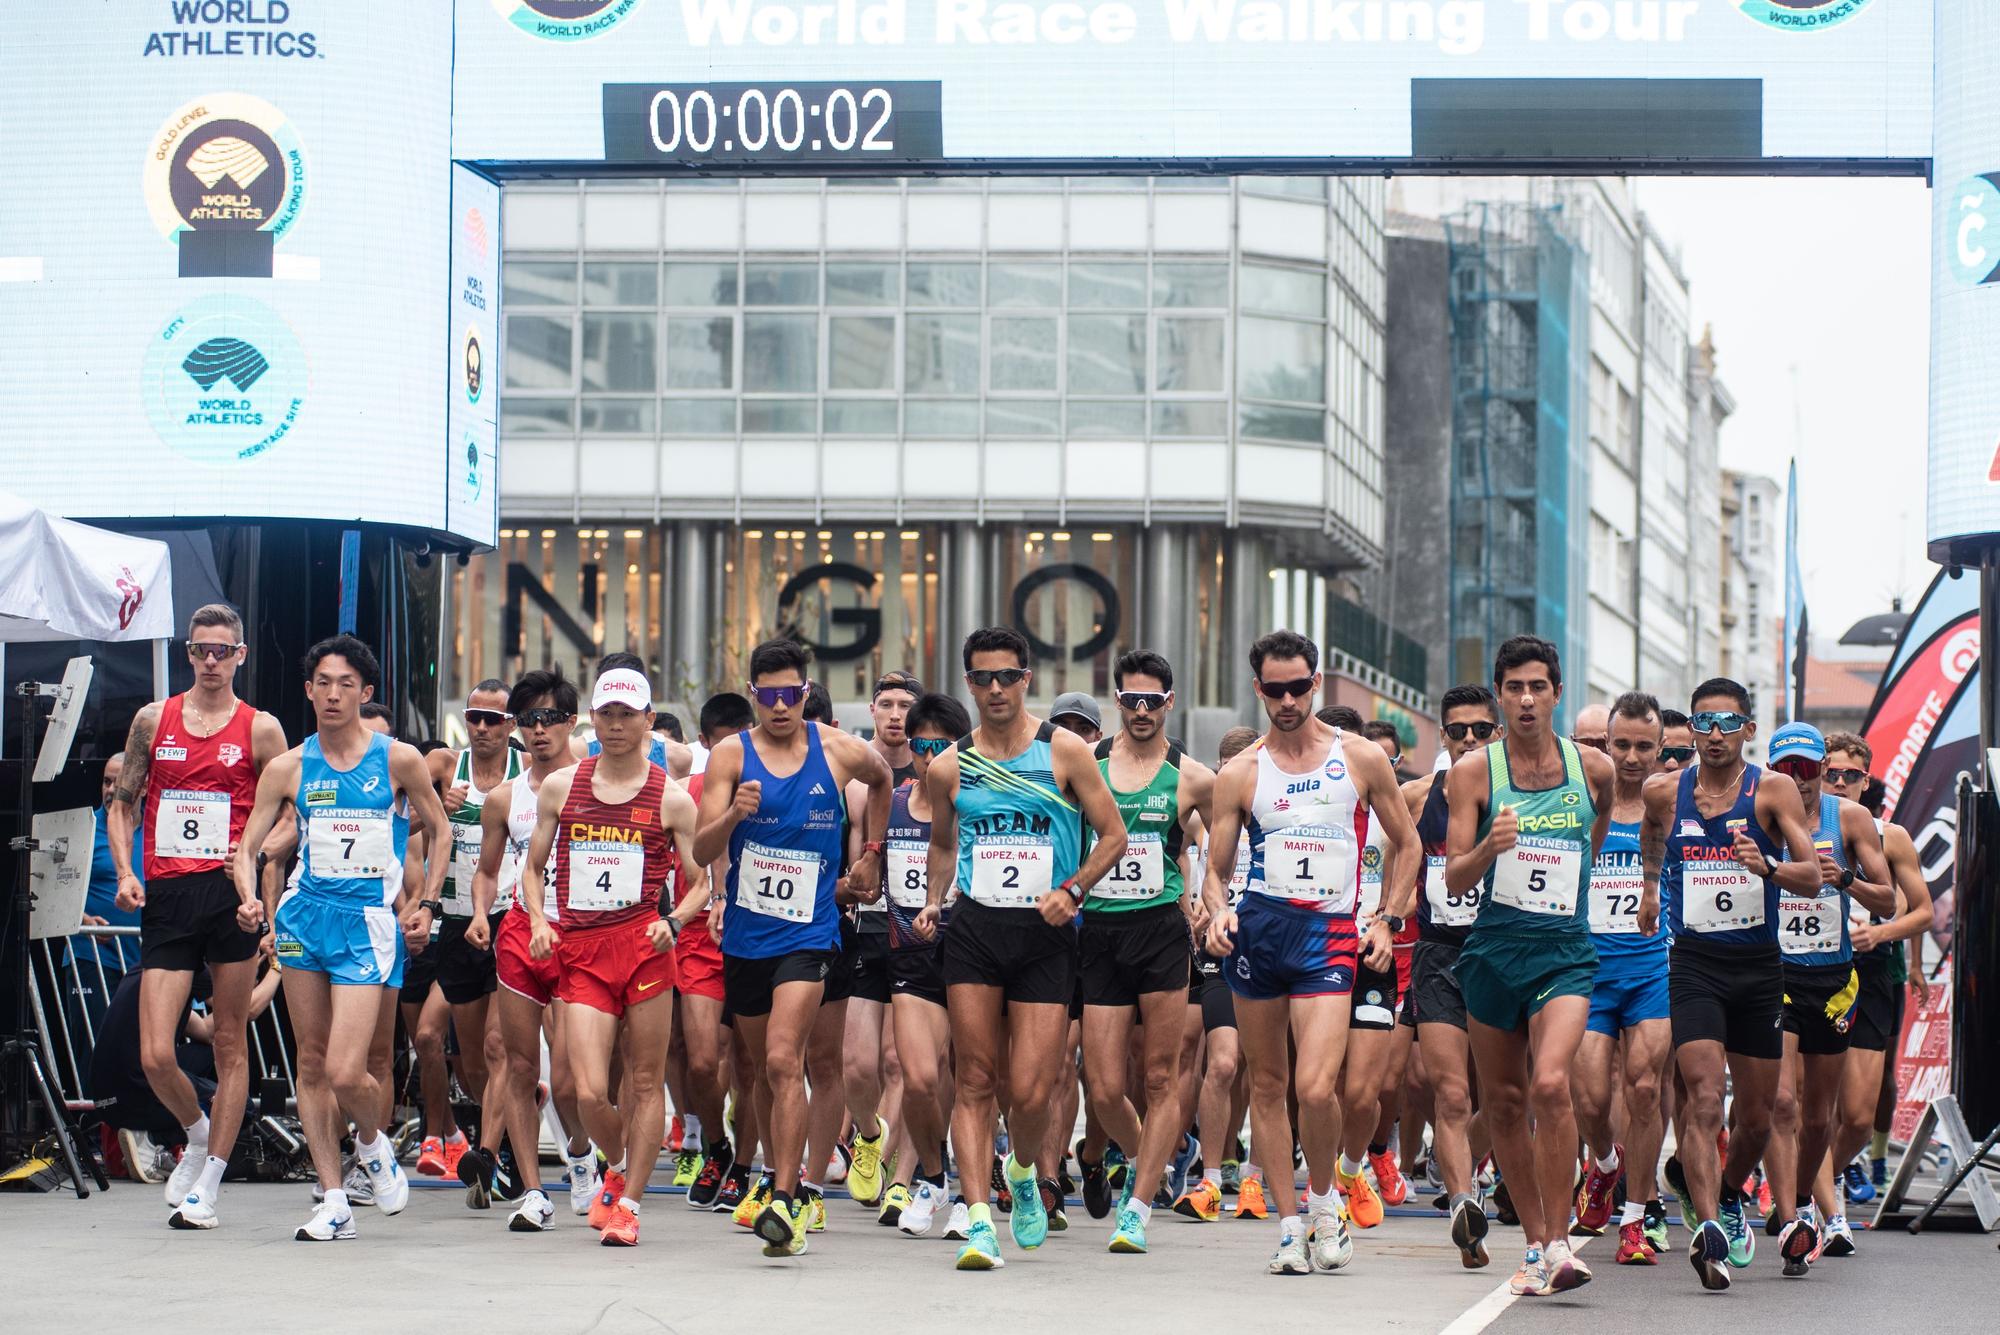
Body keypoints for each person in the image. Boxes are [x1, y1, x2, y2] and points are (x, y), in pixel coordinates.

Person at [1202, 629, 1418, 1279]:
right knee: (1267, 1085)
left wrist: (1388, 917)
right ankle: (1289, 1225)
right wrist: (1216, 911)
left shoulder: (1358, 757)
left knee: (1315, 1085)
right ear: (1258, 688)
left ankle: (1327, 1203)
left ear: (1317, 682)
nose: (1289, 698)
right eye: (1276, 689)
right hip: (1261, 931)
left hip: (1330, 933)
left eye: (1300, 686)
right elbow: (1215, 870)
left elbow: (1406, 845)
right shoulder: (1241, 771)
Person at [915, 626, 1128, 1271]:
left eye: (1008, 676)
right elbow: (945, 844)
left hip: (1045, 934)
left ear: (1026, 679)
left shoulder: (1063, 751)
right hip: (977, 930)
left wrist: (1075, 889)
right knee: (974, 1078)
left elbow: (1113, 836)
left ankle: (1024, 1170)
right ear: (968, 683)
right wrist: (933, 897)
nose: (996, 689)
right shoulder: (950, 764)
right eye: (982, 678)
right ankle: (980, 1220)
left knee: (1034, 1092)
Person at [236, 634, 450, 1242]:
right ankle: (333, 1197)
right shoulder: (289, 767)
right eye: (323, 683)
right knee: (311, 1063)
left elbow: (440, 830)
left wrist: (428, 904)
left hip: (366, 923)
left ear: (366, 692)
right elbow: (249, 847)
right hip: (305, 918)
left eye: (346, 684)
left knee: (347, 1069)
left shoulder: (399, 759)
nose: (333, 694)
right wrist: (251, 898)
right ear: (308, 690)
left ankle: (372, 1142)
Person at [694, 639, 894, 1258]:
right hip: (749, 936)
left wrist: (871, 856)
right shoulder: (732, 754)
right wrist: (732, 817)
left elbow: (884, 779)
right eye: (768, 695)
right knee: (757, 1070)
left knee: (789, 1059)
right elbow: (701, 851)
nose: (781, 705)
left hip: (812, 933)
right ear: (753, 695)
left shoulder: (836, 750)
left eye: (792, 694)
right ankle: (775, 1181)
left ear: (805, 693)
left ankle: (790, 1197)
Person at [106, 602, 289, 1230]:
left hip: (227, 897)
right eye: (200, 649)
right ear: (188, 653)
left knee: (232, 1042)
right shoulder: (153, 720)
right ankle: (195, 1127)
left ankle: (208, 1183)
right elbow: (123, 801)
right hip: (167, 897)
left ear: (241, 655)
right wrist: (126, 872)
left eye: (223, 650)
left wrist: (260, 863)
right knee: (157, 1052)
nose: (211, 661)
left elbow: (289, 813)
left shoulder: (261, 729)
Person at [1444, 636, 1614, 1297]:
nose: (1525, 698)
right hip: (1491, 953)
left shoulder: (1591, 769)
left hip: (1565, 951)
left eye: (1537, 686)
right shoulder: (1474, 773)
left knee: (1549, 1084)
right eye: (1513, 687)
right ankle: (1538, 1242)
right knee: (1508, 1102)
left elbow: (1590, 842)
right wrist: (1491, 844)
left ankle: (1563, 1239)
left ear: (1557, 692)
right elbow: (1456, 878)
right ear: (1499, 694)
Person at [1640, 677, 1823, 1291]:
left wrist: (1766, 865)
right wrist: (1647, 888)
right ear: (1690, 730)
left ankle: (1724, 1192)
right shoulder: (1665, 791)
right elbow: (1651, 837)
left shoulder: (1770, 791)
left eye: (1727, 723)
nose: (1714, 735)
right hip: (1694, 963)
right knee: (1700, 1097)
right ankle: (1710, 1227)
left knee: (1757, 1116)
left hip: (1758, 968)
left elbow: (1811, 876)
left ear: (1749, 729)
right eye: (1703, 723)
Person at [519, 666, 703, 1247]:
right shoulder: (561, 787)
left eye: (629, 714)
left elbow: (701, 883)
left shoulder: (671, 799)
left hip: (645, 945)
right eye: (608, 713)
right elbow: (532, 868)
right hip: (582, 948)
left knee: (646, 1083)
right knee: (584, 1090)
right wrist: (540, 920)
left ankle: (628, 1203)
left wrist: (674, 923)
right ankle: (620, 1160)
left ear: (650, 719)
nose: (618, 724)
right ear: (593, 719)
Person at [1079, 649, 1215, 1254]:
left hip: (1160, 926)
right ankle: (1152, 1157)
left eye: (1151, 701)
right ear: (1117, 702)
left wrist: (1213, 891)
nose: (1140, 711)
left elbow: (1227, 836)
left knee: (1160, 1074)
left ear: (1169, 702)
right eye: (1130, 700)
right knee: (1104, 1085)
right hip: (1099, 931)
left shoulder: (1191, 776)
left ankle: (1136, 1207)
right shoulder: (1087, 764)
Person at [1759, 723, 1893, 1275]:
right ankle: (1792, 1219)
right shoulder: (1755, 815)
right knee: (1782, 1104)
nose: (1802, 780)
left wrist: (1847, 883)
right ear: (1773, 772)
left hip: (1835, 981)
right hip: (1774, 972)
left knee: (1822, 1118)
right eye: (1787, 769)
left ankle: (1811, 1203)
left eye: (1808, 768)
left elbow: (1888, 900)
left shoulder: (1852, 820)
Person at [467, 668, 597, 1230]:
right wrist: (478, 912)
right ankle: (533, 1192)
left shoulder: (596, 782)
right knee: (517, 1065)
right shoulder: (503, 797)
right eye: (528, 720)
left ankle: (582, 1154)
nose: (539, 730)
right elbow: (487, 871)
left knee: (569, 1078)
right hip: (522, 930)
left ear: (571, 721)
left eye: (549, 718)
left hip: (583, 935)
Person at [1571, 693, 1673, 1264]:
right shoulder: (1582, 807)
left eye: (1643, 747)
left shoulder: (1672, 810)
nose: (1632, 758)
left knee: (1643, 1086)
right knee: (1589, 1098)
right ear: (1605, 746)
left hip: (1650, 967)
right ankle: (1604, 1165)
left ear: (1660, 750)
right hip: (1588, 971)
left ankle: (1635, 1220)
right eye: (1621, 745)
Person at [1822, 731, 1932, 1250]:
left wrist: (1881, 934)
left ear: (1867, 781)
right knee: (1802, 1104)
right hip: (1808, 971)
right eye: (1831, 773)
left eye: (1851, 775)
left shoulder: (1892, 836)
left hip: (1868, 971)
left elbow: (1923, 910)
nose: (1840, 782)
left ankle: (1826, 1177)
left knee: (1860, 1117)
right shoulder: (1793, 827)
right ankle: (1809, 1198)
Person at [1405, 685, 1502, 1268]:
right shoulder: (1417, 797)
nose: (1469, 739)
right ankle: (1464, 1203)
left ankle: (1473, 1165)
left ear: (1496, 734)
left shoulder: (1519, 795)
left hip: (1502, 951)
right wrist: (1387, 915)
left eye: (1480, 731)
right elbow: (1396, 861)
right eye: (1458, 730)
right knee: (1451, 1091)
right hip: (1438, 952)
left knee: (1506, 1096)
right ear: (1442, 736)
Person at [878, 691, 973, 1236]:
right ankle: (933, 1179)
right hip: (908, 954)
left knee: (974, 1081)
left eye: (941, 745)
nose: (930, 755)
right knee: (916, 1078)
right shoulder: (891, 802)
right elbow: (864, 867)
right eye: (921, 745)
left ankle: (971, 1191)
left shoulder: (976, 804)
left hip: (971, 953)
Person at [1174, 725, 1264, 1224]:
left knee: (1265, 1069)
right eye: (1225, 770)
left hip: (1271, 947)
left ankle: (1250, 1174)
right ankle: (1209, 1178)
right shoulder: (1205, 819)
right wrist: (1192, 902)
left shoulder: (1276, 816)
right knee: (1223, 1063)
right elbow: (1173, 842)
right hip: (1219, 950)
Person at [839, 670, 922, 1210]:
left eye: (905, 707)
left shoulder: (936, 773)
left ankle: (897, 1175)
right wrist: (851, 885)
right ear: (871, 711)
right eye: (886, 704)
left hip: (920, 930)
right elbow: (849, 860)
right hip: (866, 927)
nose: (895, 715)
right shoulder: (855, 776)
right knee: (857, 1066)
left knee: (902, 1062)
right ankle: (870, 1137)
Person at [1337, 717, 1417, 1229]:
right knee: (1320, 1083)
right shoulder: (1318, 805)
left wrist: (1387, 918)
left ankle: (1365, 1158)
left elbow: (1416, 874)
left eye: (1389, 761)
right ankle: (1337, 1177)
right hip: (1320, 950)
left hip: (1380, 953)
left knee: (1374, 1087)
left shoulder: (1400, 811)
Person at [680, 693, 757, 1214]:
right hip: (699, 939)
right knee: (704, 1061)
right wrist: (709, 900)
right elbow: (688, 869)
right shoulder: (684, 793)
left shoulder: (775, 782)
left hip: (760, 932)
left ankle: (746, 1167)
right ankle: (714, 1145)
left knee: (753, 1065)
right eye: (720, 741)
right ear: (705, 743)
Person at [63, 755, 144, 1070]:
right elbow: (48, 891)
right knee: (96, 1051)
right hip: (91, 957)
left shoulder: (157, 829)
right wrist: (84, 921)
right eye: (106, 781)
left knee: (144, 1053)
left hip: (147, 961)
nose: (111, 790)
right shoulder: (84, 828)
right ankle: (96, 1120)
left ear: (144, 785)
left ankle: (136, 1119)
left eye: (119, 782)